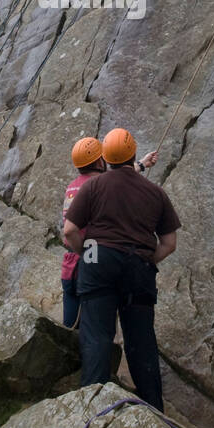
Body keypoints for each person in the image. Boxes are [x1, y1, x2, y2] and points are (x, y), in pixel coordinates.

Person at [62, 127, 180, 409]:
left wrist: (88, 253)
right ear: (134, 153)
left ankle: (92, 408)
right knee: (141, 341)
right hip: (138, 266)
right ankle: (153, 409)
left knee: (97, 336)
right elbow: (169, 242)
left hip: (99, 262)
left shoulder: (92, 186)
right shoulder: (155, 192)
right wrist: (148, 260)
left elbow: (70, 232)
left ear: (105, 158)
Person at [60, 136, 159, 329]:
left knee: (70, 328)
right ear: (99, 161)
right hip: (94, 263)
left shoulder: (72, 187)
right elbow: (117, 180)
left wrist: (142, 164)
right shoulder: (99, 185)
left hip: (69, 267)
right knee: (95, 331)